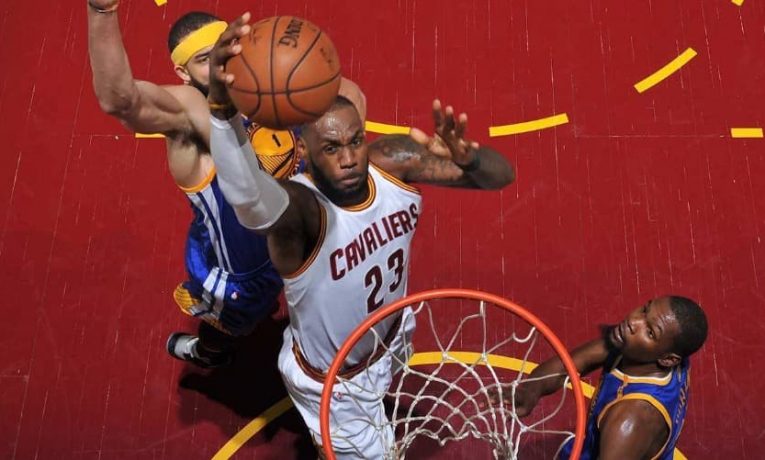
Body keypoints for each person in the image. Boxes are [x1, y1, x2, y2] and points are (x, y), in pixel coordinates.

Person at [206, 13, 516, 458]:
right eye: (331, 148)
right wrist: (222, 112)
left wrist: (471, 160)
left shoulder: (393, 162)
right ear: (305, 152)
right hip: (336, 382)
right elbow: (248, 197)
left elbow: (501, 177)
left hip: (391, 334)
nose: (349, 157)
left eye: (355, 141)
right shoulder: (301, 212)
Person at [86, 1, 367, 368]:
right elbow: (121, 100)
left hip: (301, 232)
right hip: (242, 269)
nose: (220, 63)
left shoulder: (272, 85)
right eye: (205, 59)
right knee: (231, 328)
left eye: (225, 47)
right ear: (183, 73)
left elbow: (350, 95)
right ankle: (209, 353)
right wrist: (102, 11)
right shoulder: (191, 111)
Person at [496, 296, 708, 460]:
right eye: (645, 310)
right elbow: (571, 364)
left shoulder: (629, 421)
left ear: (668, 359)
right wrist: (530, 390)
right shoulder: (648, 351)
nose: (633, 322)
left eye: (650, 332)